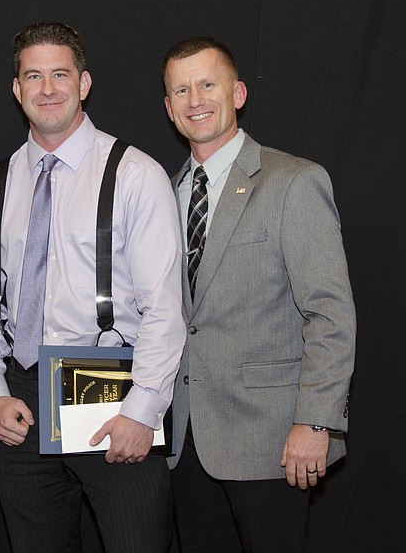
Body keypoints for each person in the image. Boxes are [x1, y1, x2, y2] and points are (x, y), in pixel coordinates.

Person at [0, 22, 185, 553]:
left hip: (113, 396)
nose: (47, 88)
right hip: (23, 404)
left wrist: (143, 407)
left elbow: (164, 308)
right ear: (17, 91)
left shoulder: (134, 174)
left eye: (60, 73)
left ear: (84, 83)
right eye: (32, 76)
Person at [162, 37, 356, 552]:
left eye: (208, 84)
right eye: (180, 90)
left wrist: (315, 421)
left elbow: (330, 315)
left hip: (272, 443)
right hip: (186, 444)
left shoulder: (294, 182)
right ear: (168, 108)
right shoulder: (165, 191)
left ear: (239, 93)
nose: (194, 99)